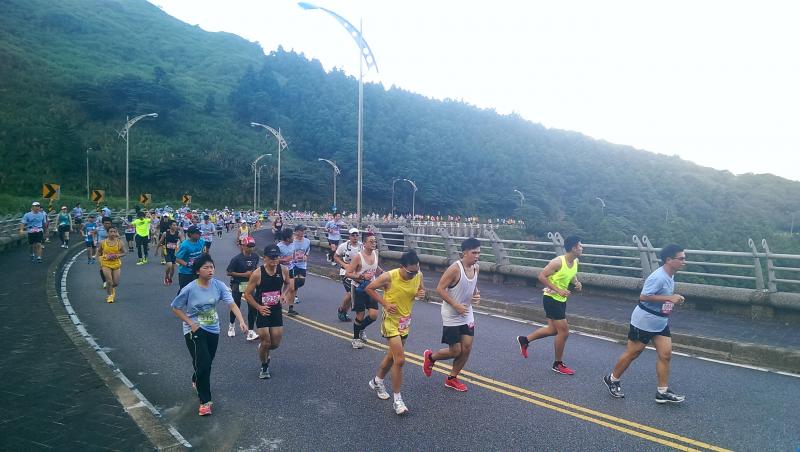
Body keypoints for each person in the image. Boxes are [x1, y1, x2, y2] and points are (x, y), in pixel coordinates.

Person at [604, 244, 687, 404]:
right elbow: (643, 296)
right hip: (644, 321)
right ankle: (612, 379)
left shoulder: (670, 275)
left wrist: (672, 300)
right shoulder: (658, 277)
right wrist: (669, 298)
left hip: (660, 321)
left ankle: (662, 392)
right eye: (681, 258)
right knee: (633, 353)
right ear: (669, 260)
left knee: (666, 355)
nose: (684, 262)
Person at [170, 255, 247, 416]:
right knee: (204, 363)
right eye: (206, 267)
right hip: (194, 330)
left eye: (212, 267)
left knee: (206, 361)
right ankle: (205, 402)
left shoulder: (218, 285)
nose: (210, 270)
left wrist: (241, 321)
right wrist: (191, 323)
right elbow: (175, 307)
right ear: (198, 271)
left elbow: (232, 304)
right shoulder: (189, 288)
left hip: (213, 329)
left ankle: (196, 377)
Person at [365, 250, 426, 415]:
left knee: (392, 357)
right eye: (411, 272)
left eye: (416, 270)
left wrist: (421, 294)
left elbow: (421, 290)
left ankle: (377, 381)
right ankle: (398, 401)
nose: (414, 274)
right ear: (402, 267)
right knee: (400, 360)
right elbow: (369, 288)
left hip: (405, 321)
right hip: (390, 322)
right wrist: (385, 303)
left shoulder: (418, 275)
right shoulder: (389, 277)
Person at [516, 235, 583, 375]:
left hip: (561, 300)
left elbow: (571, 274)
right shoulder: (557, 262)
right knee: (564, 332)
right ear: (573, 248)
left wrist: (576, 282)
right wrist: (558, 290)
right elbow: (541, 276)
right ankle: (558, 364)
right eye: (580, 246)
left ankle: (525, 340)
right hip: (551, 299)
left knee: (553, 330)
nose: (582, 248)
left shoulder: (575, 261)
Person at [422, 238, 482, 392]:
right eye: (474, 253)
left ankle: (452, 378)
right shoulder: (455, 269)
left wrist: (476, 294)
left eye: (478, 253)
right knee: (455, 351)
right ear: (464, 253)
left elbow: (473, 285)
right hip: (451, 314)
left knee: (466, 348)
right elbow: (440, 289)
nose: (477, 256)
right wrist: (456, 305)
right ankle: (430, 358)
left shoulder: (476, 268)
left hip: (466, 313)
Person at [243, 244, 295, 380]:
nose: (274, 260)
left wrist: (284, 294)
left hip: (276, 309)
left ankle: (263, 348)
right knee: (266, 341)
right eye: (271, 257)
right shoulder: (257, 274)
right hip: (263, 310)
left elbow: (288, 283)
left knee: (275, 344)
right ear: (265, 258)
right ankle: (264, 365)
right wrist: (258, 307)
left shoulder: (283, 270)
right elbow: (247, 294)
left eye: (276, 257)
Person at [345, 234, 381, 349]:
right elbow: (348, 273)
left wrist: (383, 273)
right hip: (358, 288)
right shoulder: (358, 257)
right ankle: (355, 339)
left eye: (375, 241)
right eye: (371, 241)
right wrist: (362, 277)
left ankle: (361, 329)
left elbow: (375, 266)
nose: (374, 243)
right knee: (360, 315)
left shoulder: (376, 253)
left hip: (371, 288)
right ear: (364, 244)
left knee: (374, 315)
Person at [226, 236, 260, 340]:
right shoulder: (236, 259)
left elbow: (255, 268)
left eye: (252, 246)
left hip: (250, 284)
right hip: (237, 283)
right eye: (249, 246)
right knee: (236, 305)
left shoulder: (255, 256)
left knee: (252, 307)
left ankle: (250, 332)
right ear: (243, 246)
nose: (251, 248)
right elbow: (229, 272)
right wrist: (244, 274)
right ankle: (231, 325)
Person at [333, 228, 363, 322]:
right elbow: (336, 257)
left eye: (356, 235)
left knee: (353, 294)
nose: (355, 237)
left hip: (356, 273)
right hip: (345, 273)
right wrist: (344, 264)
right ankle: (341, 309)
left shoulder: (362, 246)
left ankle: (344, 312)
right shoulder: (344, 246)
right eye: (353, 235)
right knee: (351, 292)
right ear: (349, 236)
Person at [97, 226, 126, 303]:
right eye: (111, 232)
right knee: (109, 281)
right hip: (105, 263)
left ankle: (112, 289)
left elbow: (124, 252)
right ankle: (109, 295)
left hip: (116, 263)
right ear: (107, 233)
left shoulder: (120, 242)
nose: (113, 233)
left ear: (116, 233)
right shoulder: (103, 242)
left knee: (115, 283)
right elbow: (99, 252)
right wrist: (100, 260)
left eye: (114, 232)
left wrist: (117, 255)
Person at [175, 226, 207, 291]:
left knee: (198, 290)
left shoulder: (201, 242)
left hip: (198, 271)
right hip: (186, 273)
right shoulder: (185, 245)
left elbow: (203, 253)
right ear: (191, 234)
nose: (199, 235)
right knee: (184, 291)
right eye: (197, 233)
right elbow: (177, 259)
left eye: (199, 233)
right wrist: (188, 265)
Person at [276, 228, 299, 316]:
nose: (294, 237)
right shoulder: (279, 246)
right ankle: (277, 305)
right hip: (280, 269)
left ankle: (291, 308)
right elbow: (275, 259)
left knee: (292, 288)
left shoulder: (293, 245)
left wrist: (295, 258)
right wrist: (284, 260)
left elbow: (294, 255)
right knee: (278, 287)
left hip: (290, 269)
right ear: (287, 238)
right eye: (292, 236)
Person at [290, 225, 310, 304]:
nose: (302, 232)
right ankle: (293, 296)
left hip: (302, 264)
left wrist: (305, 257)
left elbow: (307, 252)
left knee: (301, 282)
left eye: (303, 231)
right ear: (296, 232)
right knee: (295, 282)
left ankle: (291, 290)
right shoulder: (292, 241)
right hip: (292, 264)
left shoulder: (307, 241)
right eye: (301, 231)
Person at [158, 221, 182, 285]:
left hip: (174, 252)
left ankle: (170, 278)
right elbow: (160, 241)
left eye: (176, 225)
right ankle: (166, 276)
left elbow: (183, 242)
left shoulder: (178, 234)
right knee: (169, 264)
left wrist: (181, 247)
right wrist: (156, 250)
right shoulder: (165, 233)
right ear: (170, 226)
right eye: (174, 225)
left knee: (173, 268)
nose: (175, 226)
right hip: (167, 251)